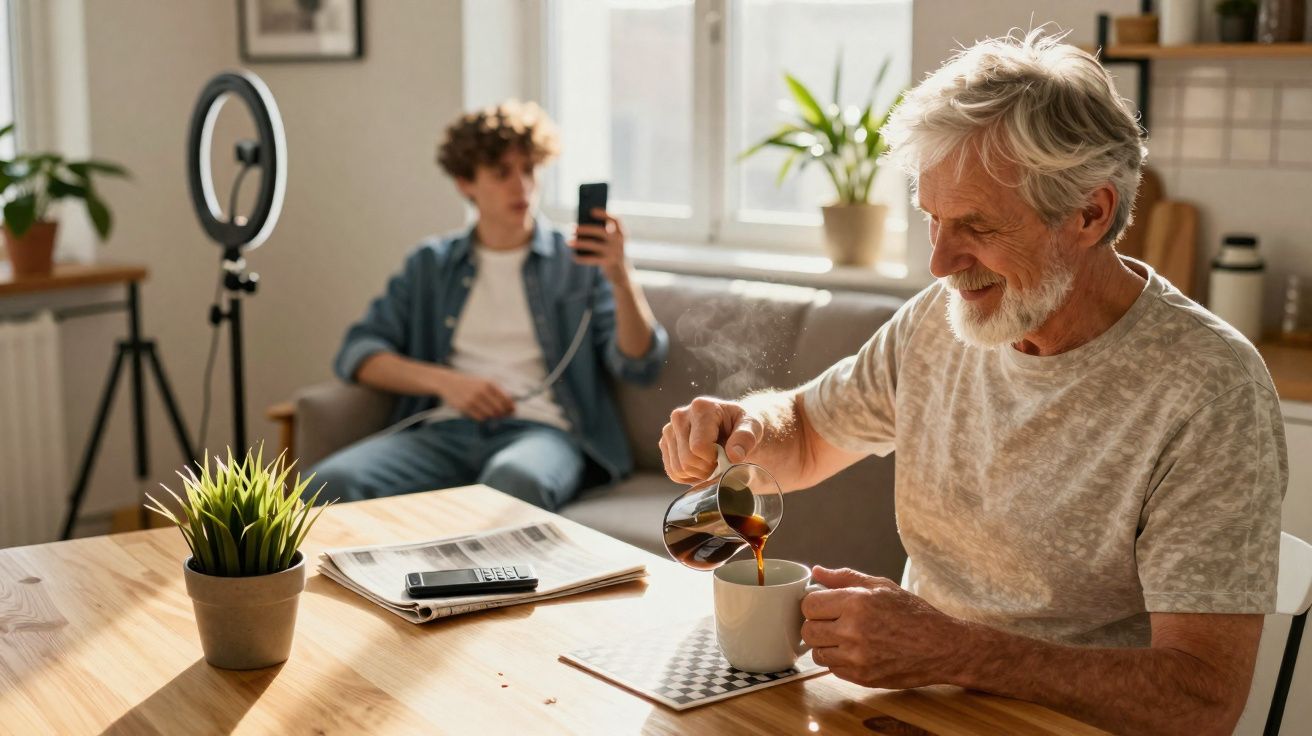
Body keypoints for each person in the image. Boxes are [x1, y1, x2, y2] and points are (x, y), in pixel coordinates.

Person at [659, 31, 1285, 736]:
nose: (938, 262)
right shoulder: (940, 321)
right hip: (911, 714)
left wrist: (950, 649)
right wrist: (742, 426)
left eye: (976, 226)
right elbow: (803, 435)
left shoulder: (1210, 388)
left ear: (1090, 213)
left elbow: (1202, 702)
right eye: (932, 219)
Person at [312, 100, 668, 511]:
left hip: (541, 435)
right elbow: (357, 354)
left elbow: (639, 364)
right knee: (328, 483)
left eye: (529, 170)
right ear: (466, 182)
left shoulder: (578, 265)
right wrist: (447, 383)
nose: (522, 186)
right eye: (502, 173)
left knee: (512, 480)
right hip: (444, 433)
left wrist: (621, 277)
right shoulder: (431, 264)